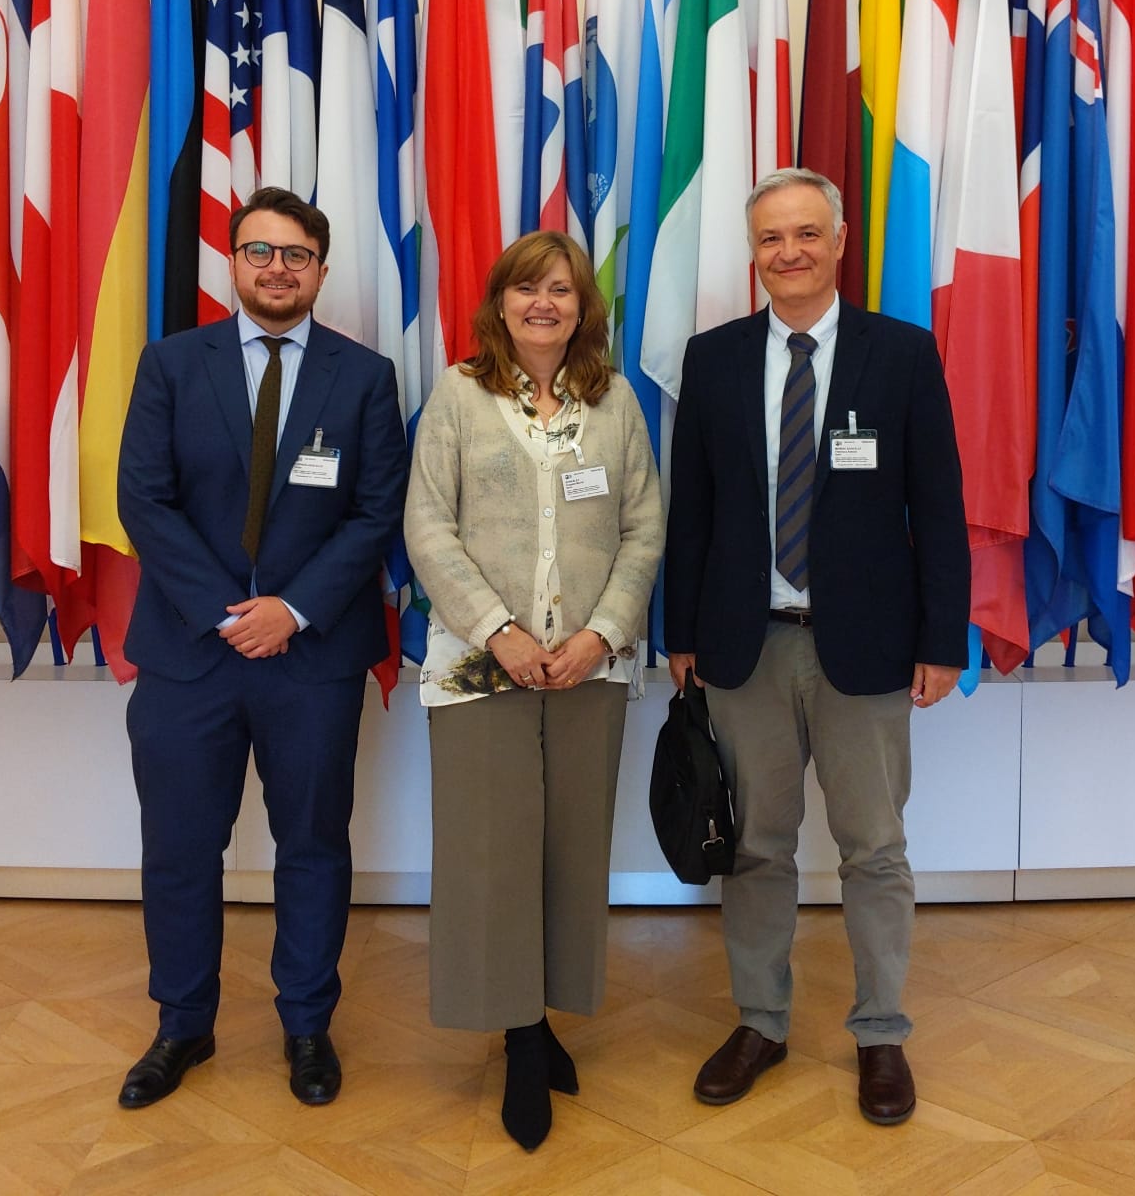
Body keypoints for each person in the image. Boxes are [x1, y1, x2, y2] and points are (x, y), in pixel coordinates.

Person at [664, 167, 969, 1127]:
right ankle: (761, 1021)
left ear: (840, 242)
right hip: (744, 648)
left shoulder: (902, 354)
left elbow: (940, 509)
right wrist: (681, 636)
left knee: (874, 849)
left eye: (805, 234)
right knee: (756, 846)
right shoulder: (711, 360)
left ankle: (881, 1034)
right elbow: (693, 516)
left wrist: (943, 638)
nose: (787, 253)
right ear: (751, 255)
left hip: (871, 649)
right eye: (769, 240)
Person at [114, 188, 407, 1112]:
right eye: (257, 252)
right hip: (187, 655)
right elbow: (143, 501)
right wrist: (228, 613)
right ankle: (181, 1025)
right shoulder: (169, 364)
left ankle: (307, 1025)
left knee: (313, 845)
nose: (276, 269)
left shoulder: (364, 377)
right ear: (231, 264)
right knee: (180, 850)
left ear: (321, 270)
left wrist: (291, 610)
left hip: (311, 659)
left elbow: (373, 516)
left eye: (295, 254)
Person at [404, 231, 664, 1151]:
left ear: (581, 307)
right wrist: (500, 633)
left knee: (569, 847)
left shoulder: (615, 400)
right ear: (501, 303)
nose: (543, 304)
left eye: (560, 289)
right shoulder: (458, 394)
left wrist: (600, 634)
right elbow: (428, 527)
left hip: (591, 667)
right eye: (526, 289)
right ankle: (517, 1038)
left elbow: (643, 529)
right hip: (483, 669)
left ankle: (546, 1011)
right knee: (491, 853)